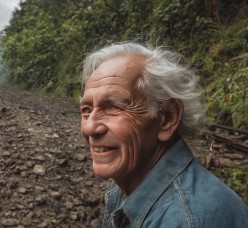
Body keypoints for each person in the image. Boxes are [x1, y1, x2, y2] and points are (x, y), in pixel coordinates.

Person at [79, 41, 248, 228]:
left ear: (167, 118)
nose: (89, 128)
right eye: (86, 110)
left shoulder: (186, 220)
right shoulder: (130, 179)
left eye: (113, 107)